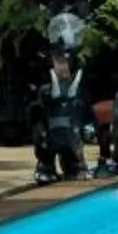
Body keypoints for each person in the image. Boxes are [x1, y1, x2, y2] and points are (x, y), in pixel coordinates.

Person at [34, 51, 93, 182]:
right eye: (59, 63)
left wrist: (88, 126)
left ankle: (75, 166)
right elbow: (39, 113)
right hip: (51, 133)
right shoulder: (45, 90)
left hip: (71, 134)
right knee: (45, 145)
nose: (63, 67)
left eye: (65, 63)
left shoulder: (78, 90)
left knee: (73, 151)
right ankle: (46, 167)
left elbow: (85, 111)